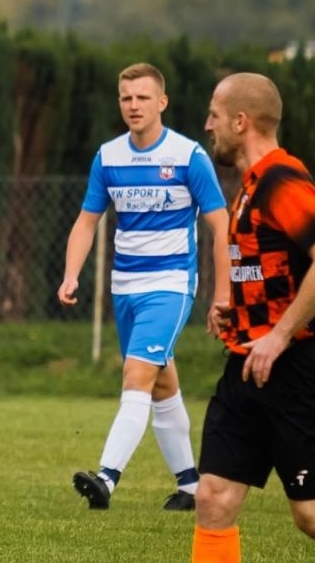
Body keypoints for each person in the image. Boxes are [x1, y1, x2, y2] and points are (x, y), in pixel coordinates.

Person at [161, 72, 315, 563]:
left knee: (307, 515)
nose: (207, 126)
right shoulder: (249, 186)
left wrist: (278, 334)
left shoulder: (282, 179)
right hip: (245, 365)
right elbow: (270, 272)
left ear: (242, 122)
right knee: (214, 496)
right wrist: (237, 314)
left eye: (214, 114)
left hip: (295, 369)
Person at [59, 63, 229, 512]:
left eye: (141, 97)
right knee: (160, 384)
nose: (133, 106)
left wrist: (222, 293)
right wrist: (72, 273)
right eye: (126, 98)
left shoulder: (189, 156)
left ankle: (106, 478)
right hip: (124, 287)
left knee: (136, 375)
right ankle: (191, 486)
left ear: (162, 103)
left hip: (171, 285)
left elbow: (220, 225)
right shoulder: (108, 157)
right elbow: (86, 221)